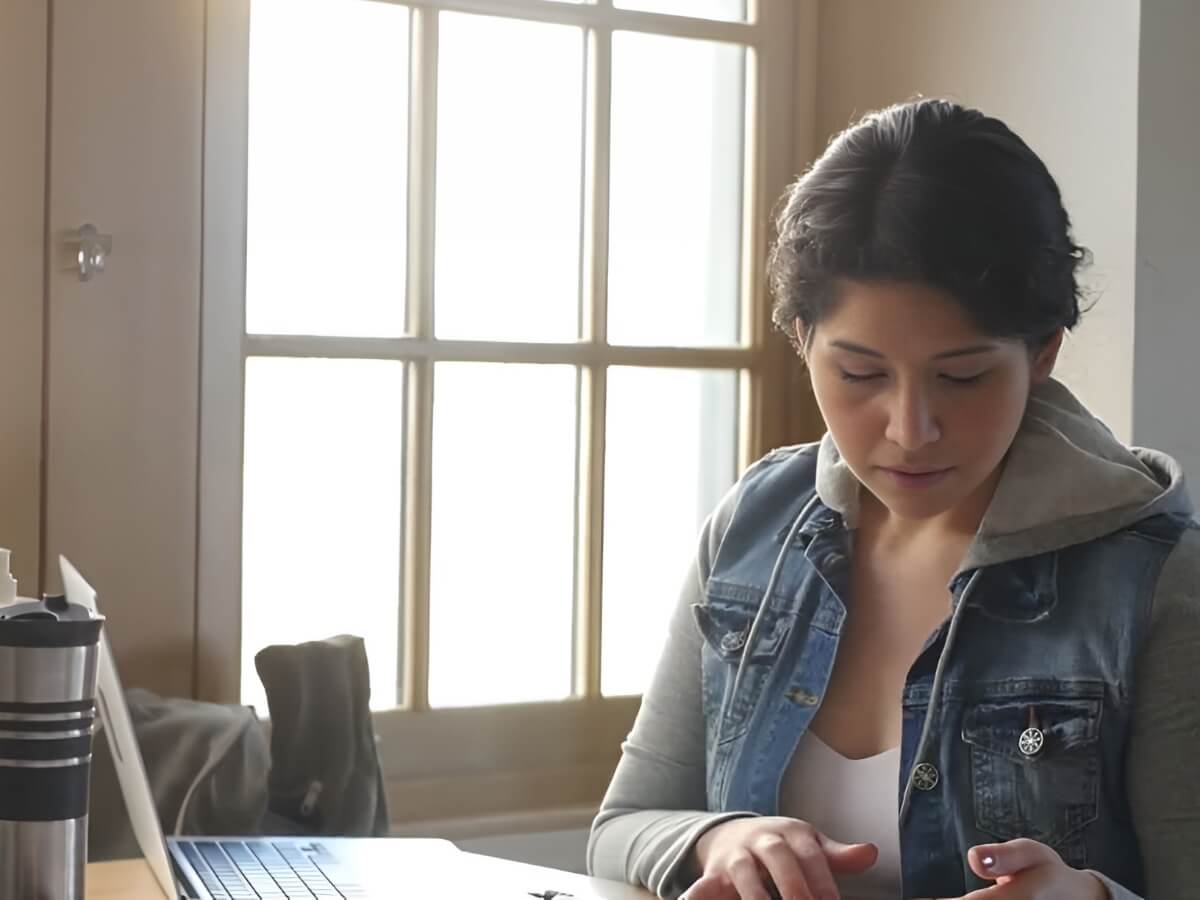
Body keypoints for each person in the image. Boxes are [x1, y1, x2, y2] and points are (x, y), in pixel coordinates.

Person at [586, 98, 1200, 900]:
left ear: (1043, 350)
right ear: (803, 338)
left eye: (962, 377)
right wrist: (721, 837)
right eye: (861, 374)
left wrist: (1089, 897)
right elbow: (622, 828)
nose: (910, 430)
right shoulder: (758, 527)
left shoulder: (1155, 579)